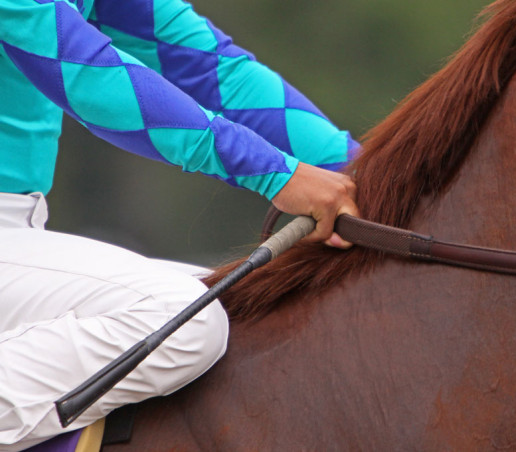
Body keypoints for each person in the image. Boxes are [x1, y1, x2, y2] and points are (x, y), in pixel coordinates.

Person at [0, 0, 360, 450]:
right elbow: (82, 72)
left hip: (19, 232)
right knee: (183, 319)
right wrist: (273, 171)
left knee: (247, 313)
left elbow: (210, 68)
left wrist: (375, 179)